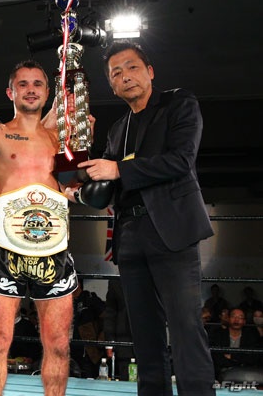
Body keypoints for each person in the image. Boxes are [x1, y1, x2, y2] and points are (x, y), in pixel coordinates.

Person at [67, 41, 216, 396]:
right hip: (130, 236)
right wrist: (76, 180)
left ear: (150, 71)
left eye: (132, 67)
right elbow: (105, 184)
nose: (125, 76)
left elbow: (181, 160)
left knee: (185, 329)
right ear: (112, 86)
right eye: (116, 73)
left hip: (171, 232)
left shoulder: (178, 103)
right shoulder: (118, 129)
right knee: (144, 337)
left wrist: (118, 169)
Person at [0, 60, 78, 396]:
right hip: (6, 251)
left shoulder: (61, 139)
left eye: (37, 84)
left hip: (53, 250)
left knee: (58, 344)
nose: (31, 90)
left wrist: (88, 183)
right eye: (23, 84)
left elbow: (73, 189)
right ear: (10, 92)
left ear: (47, 93)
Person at [209, 307, 262, 380]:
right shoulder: (218, 334)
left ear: (244, 321)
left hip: (246, 373)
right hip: (221, 373)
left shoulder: (251, 336)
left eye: (240, 317)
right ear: (228, 319)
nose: (236, 320)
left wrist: (233, 356)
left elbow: (253, 358)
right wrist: (239, 361)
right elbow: (216, 357)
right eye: (233, 316)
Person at [103, 278, 134, 381]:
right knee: (125, 378)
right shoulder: (115, 282)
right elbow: (110, 313)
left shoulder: (152, 276)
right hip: (124, 340)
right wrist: (109, 342)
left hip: (148, 341)